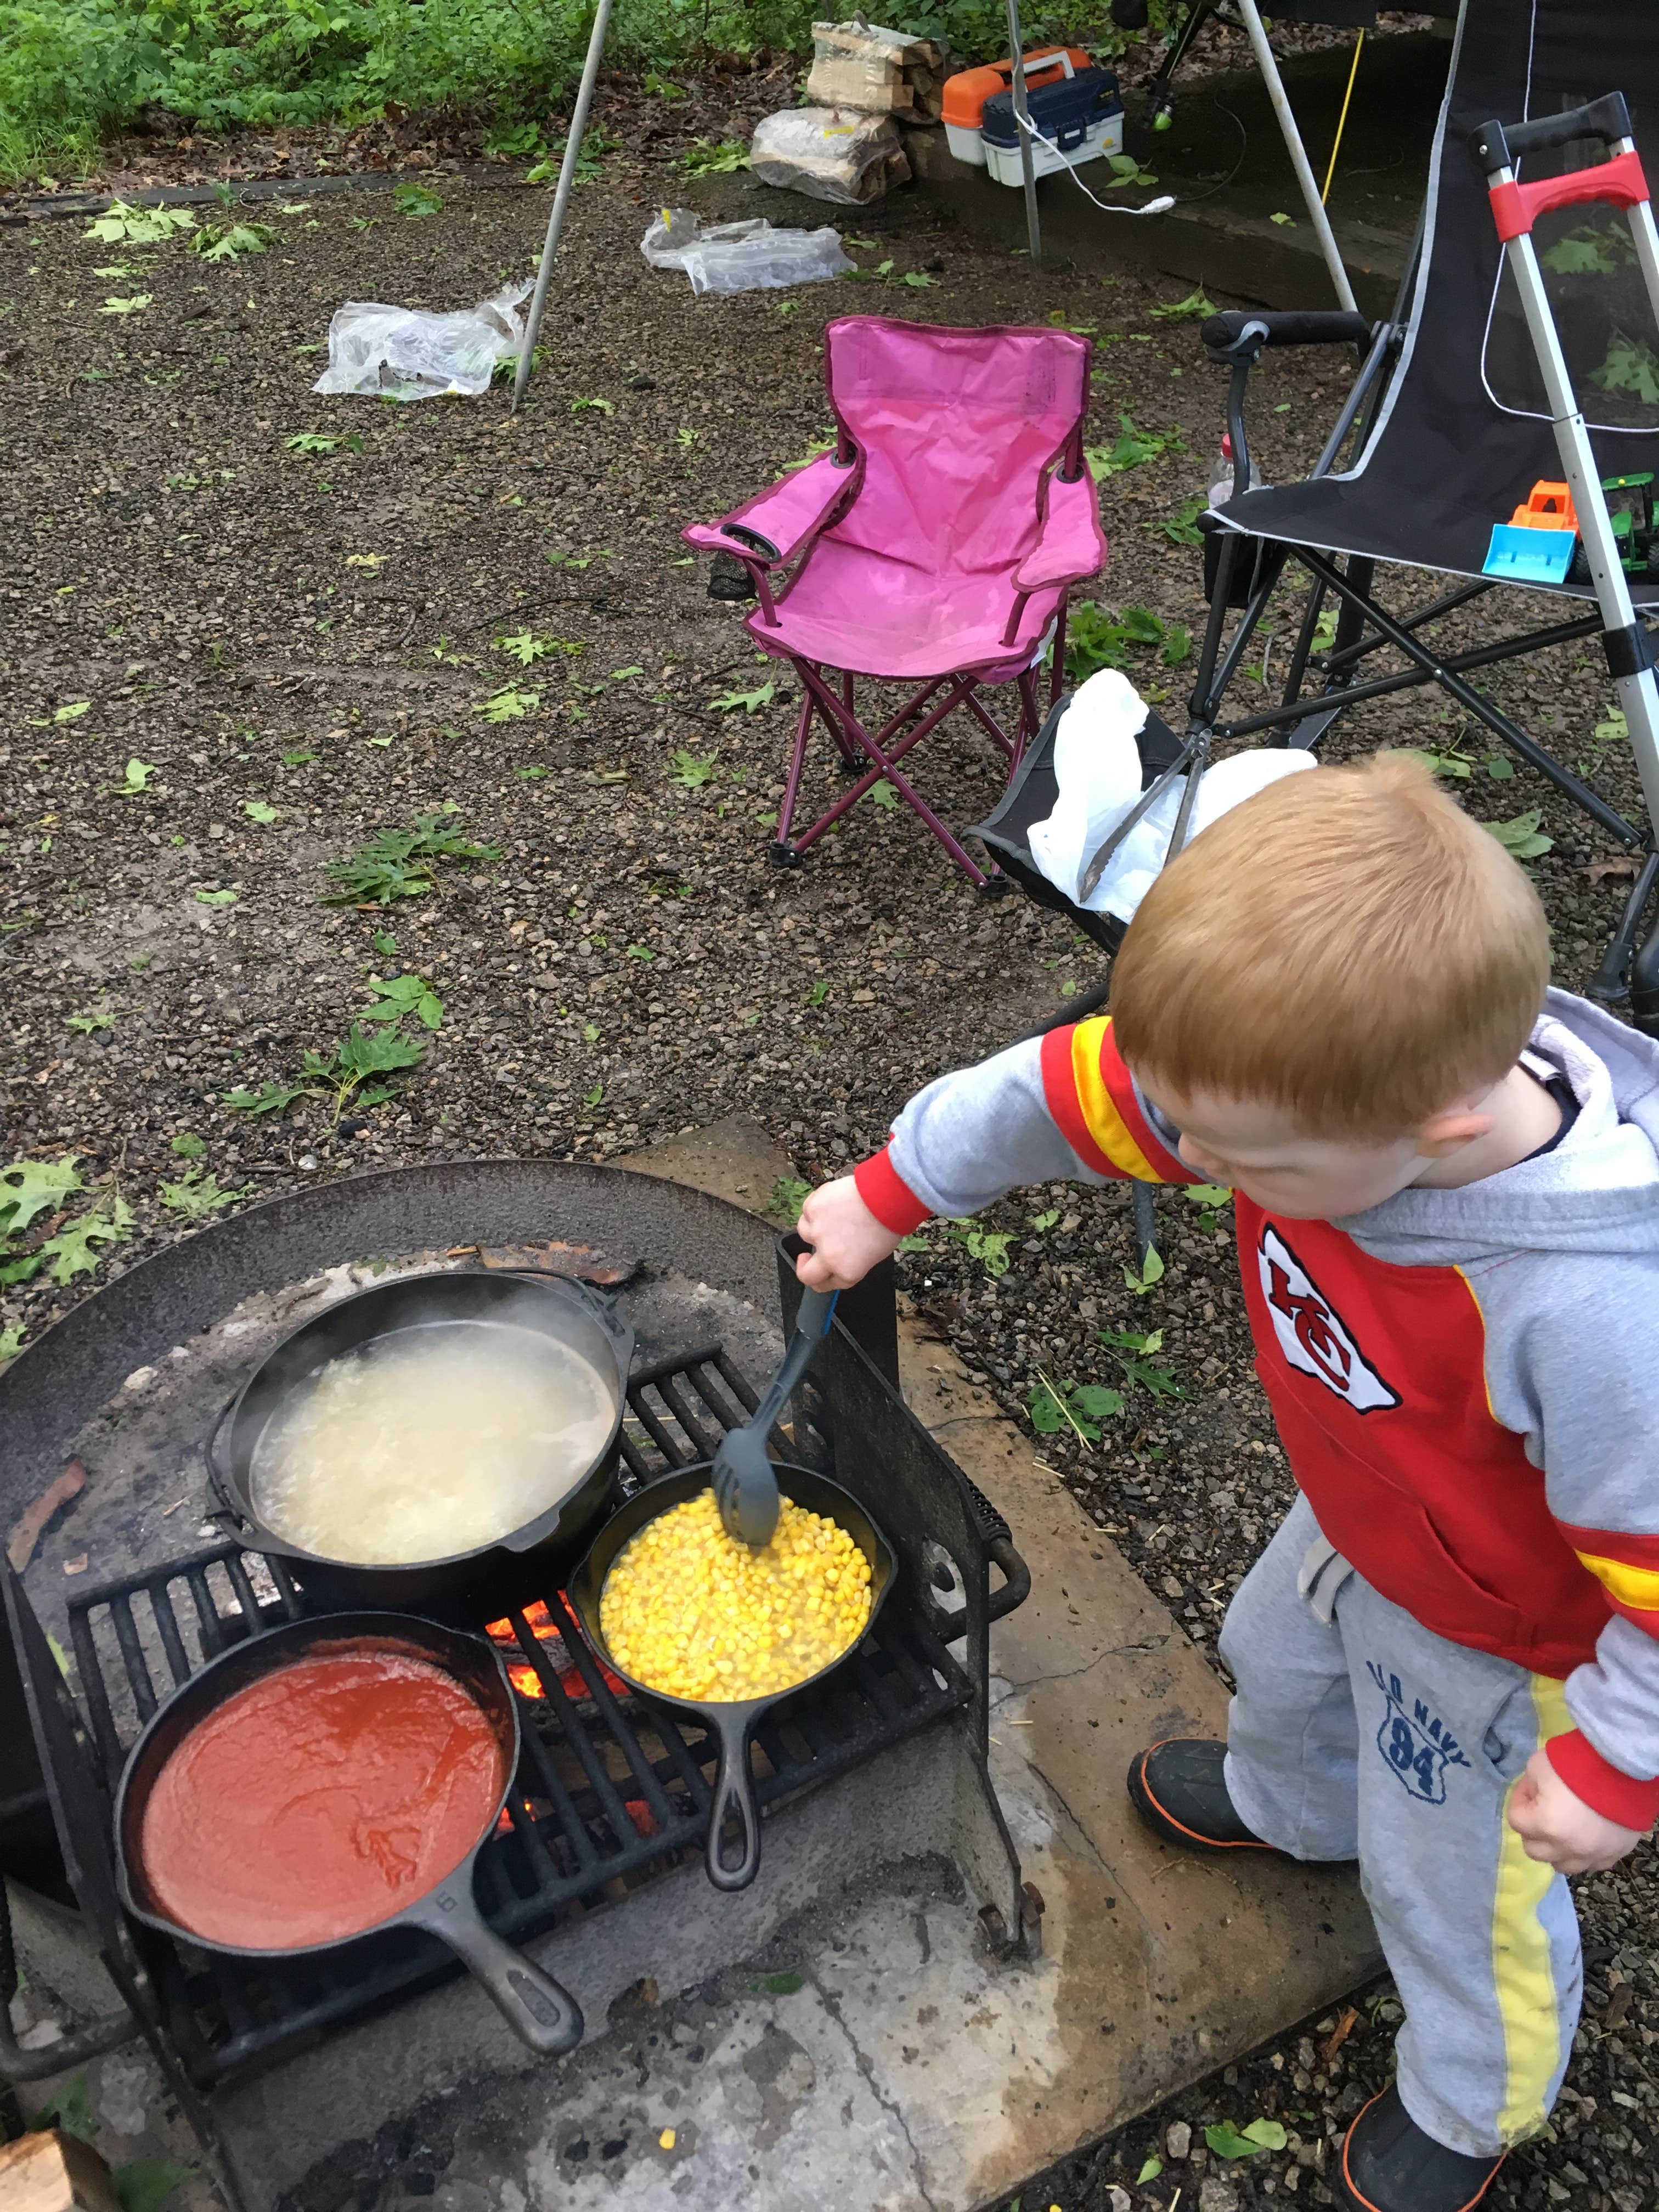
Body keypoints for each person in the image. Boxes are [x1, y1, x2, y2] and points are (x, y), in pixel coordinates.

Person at [795, 753, 1659, 2212]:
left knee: (1455, 1886)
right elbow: (1065, 1095)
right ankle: (1293, 1804)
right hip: (1376, 1513)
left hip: (1513, 1643)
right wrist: (894, 1192)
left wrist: (1620, 1767)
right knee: (1274, 1654)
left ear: (1438, 1131)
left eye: (1226, 1151)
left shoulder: (1590, 1322)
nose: (1181, 1158)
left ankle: (1476, 2095)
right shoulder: (1306, 1090)